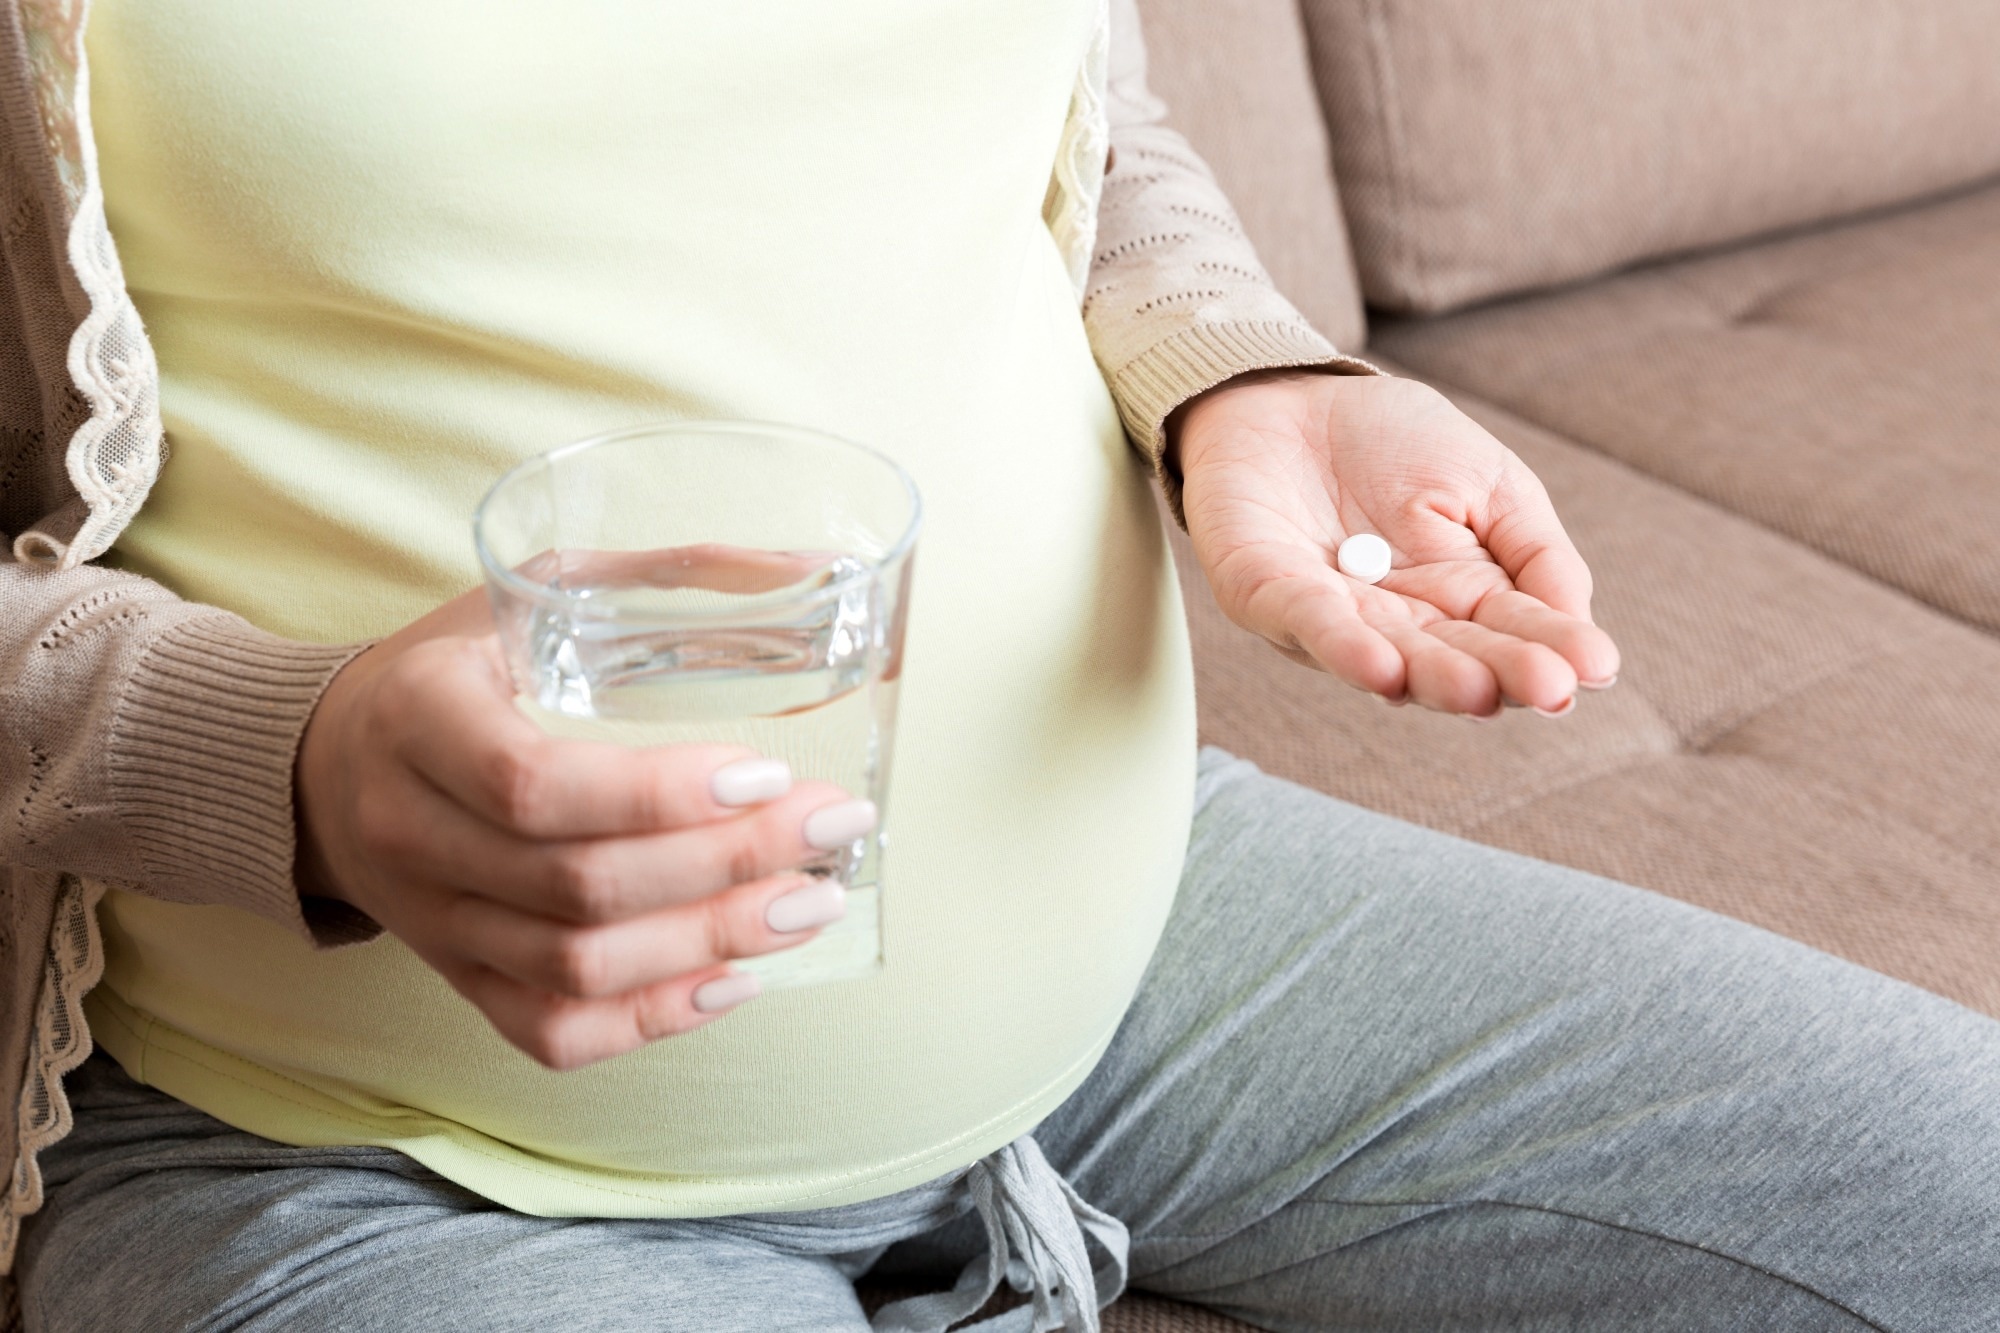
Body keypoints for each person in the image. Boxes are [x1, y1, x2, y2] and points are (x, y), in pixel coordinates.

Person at [2, 1, 1997, 1329]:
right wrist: (286, 754)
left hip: (1132, 905)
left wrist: (1246, 371)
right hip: (330, 1134)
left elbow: (1074, 115)